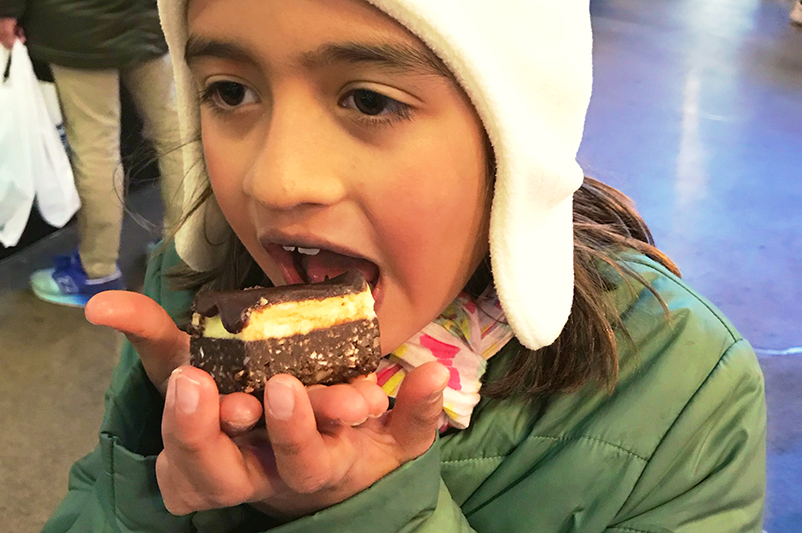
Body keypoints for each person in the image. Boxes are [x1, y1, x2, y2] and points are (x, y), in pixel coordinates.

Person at [42, 0, 767, 531]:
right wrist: (165, 497)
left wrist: (364, 513)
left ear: (512, 133)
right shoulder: (189, 292)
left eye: (369, 99)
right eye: (230, 91)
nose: (273, 180)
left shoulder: (687, 396)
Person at [0, 0, 184, 307]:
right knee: (174, 134)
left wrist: (8, 11)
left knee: (96, 146)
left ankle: (97, 271)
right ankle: (184, 252)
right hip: (148, 16)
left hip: (76, 26)